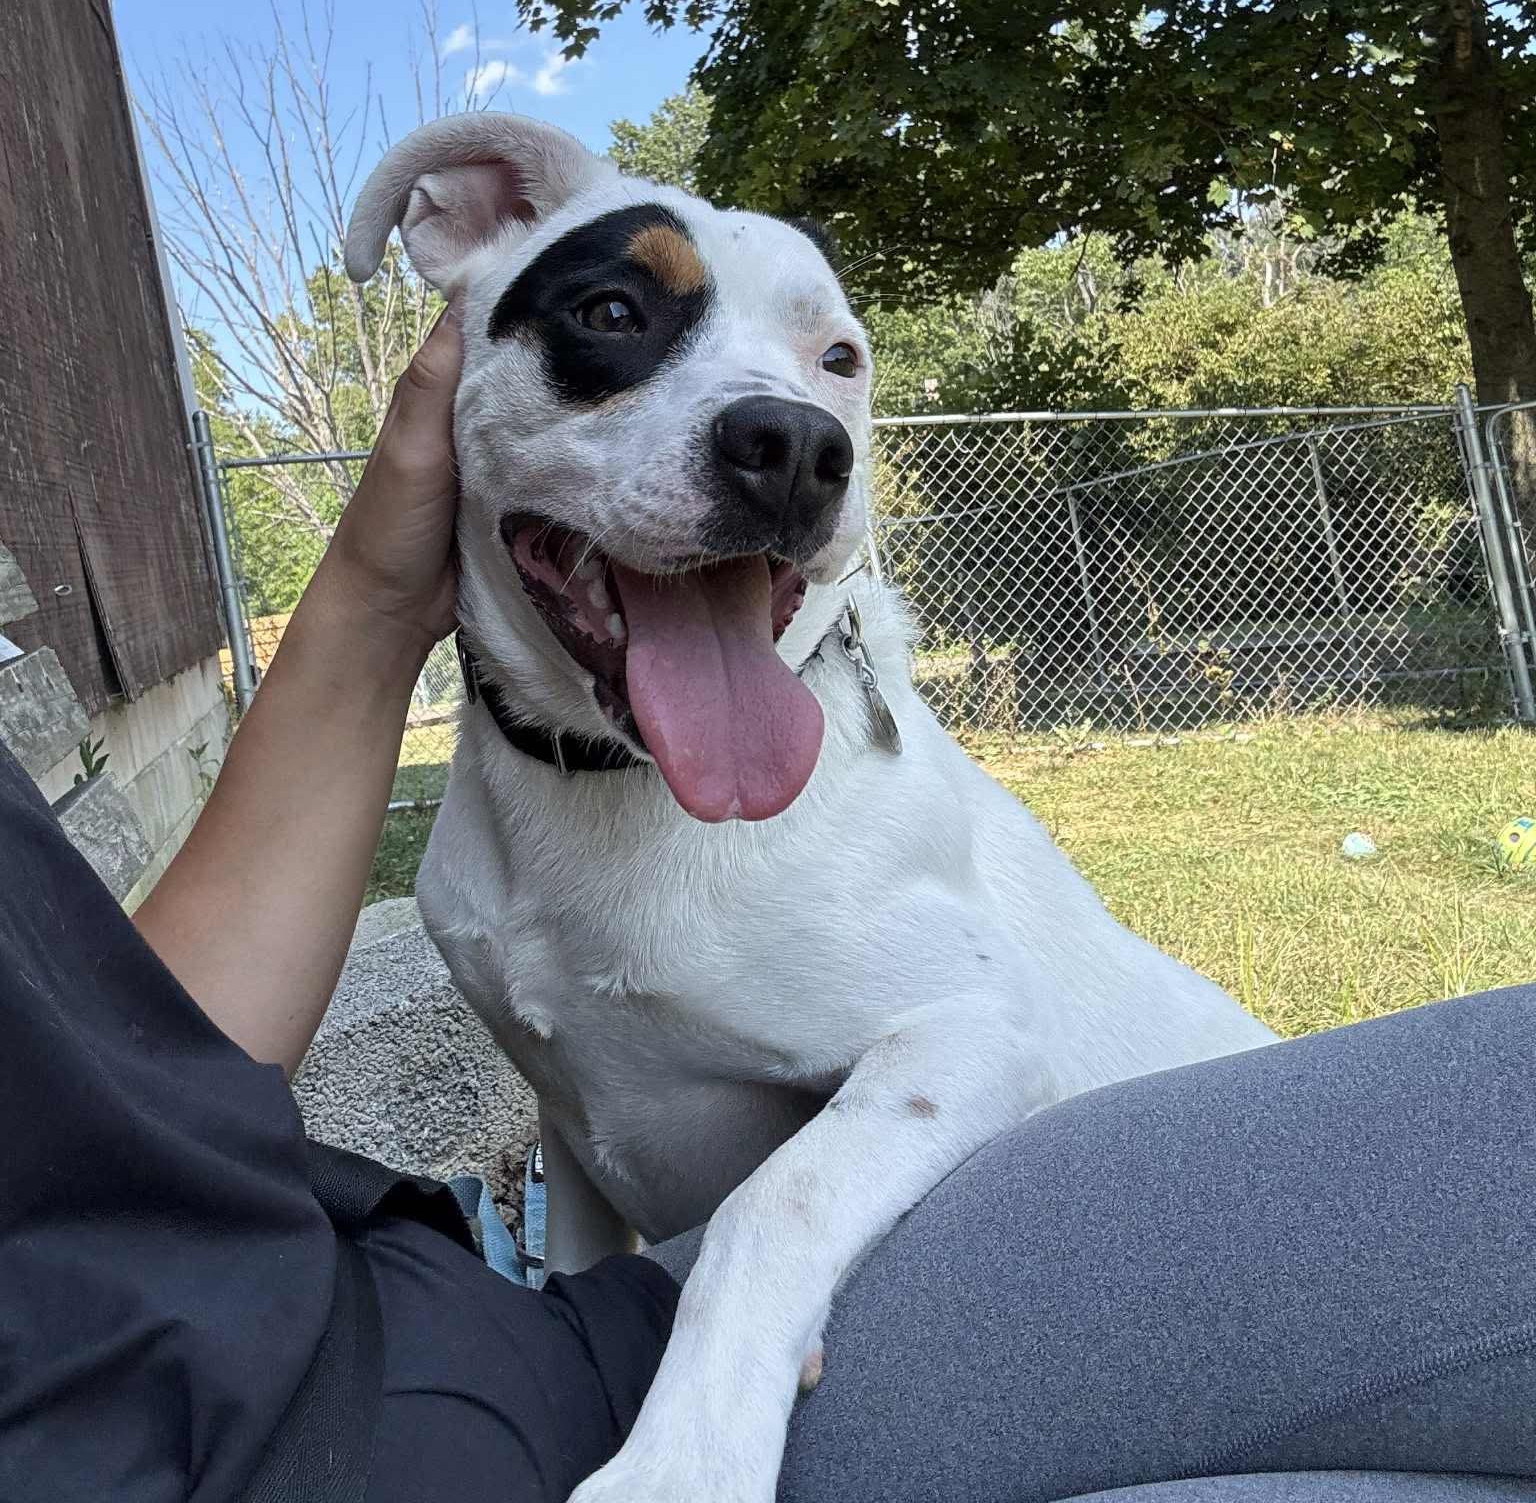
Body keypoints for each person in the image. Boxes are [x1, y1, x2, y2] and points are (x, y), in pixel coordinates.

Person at [2, 316, 1533, 1503]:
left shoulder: (546, 861)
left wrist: (377, 582)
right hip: (569, 1410)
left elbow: (131, 1080)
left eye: (831, 367)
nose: (788, 430)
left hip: (540, 1350)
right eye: (614, 322)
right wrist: (715, 1372)